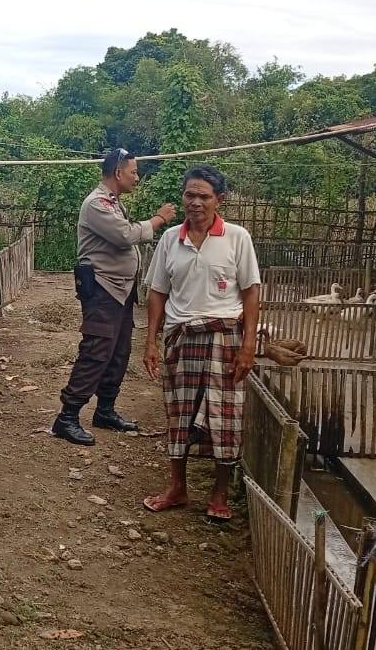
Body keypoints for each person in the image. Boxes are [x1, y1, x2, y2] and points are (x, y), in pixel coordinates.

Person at [141, 165, 260, 521]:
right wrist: (151, 341)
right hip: (181, 337)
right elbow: (157, 292)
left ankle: (219, 494)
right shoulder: (170, 239)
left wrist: (249, 346)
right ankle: (177, 488)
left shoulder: (237, 237)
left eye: (203, 196)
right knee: (178, 415)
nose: (195, 202)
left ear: (219, 200)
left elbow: (251, 292)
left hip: (225, 339)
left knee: (225, 418)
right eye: (189, 195)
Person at [52, 149, 177, 446]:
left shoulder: (113, 202)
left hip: (119, 290)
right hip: (102, 289)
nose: (137, 178)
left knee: (118, 352)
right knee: (96, 351)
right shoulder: (96, 203)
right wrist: (158, 219)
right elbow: (124, 236)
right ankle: (67, 417)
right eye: (133, 172)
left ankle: (105, 410)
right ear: (118, 173)